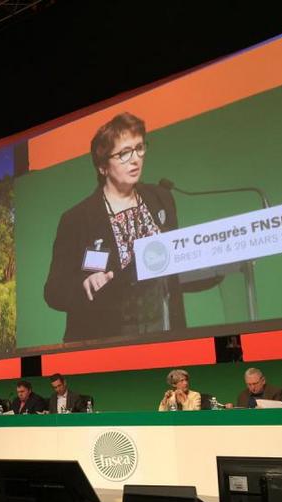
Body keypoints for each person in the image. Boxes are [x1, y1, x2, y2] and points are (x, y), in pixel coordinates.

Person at [43, 112, 186, 342]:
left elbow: (178, 263)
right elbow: (54, 290)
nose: (135, 159)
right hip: (105, 337)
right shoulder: (77, 219)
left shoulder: (162, 198)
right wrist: (84, 282)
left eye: (139, 148)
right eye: (123, 153)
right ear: (102, 167)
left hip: (165, 331)